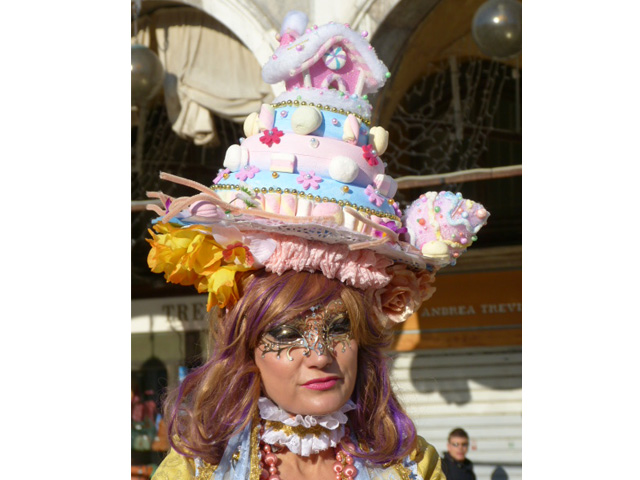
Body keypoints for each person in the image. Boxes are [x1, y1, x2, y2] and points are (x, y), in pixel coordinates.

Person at [143, 12, 489, 480]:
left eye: (339, 327)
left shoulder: (412, 467)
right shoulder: (197, 470)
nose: (321, 354)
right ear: (247, 348)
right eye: (286, 334)